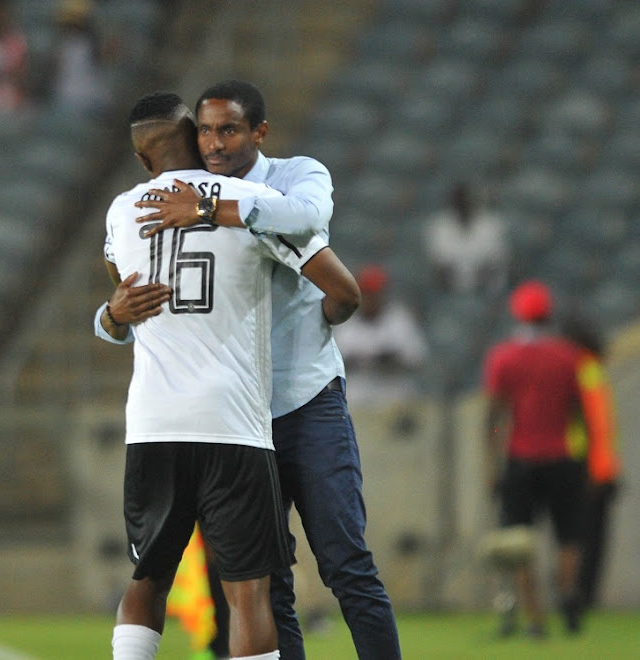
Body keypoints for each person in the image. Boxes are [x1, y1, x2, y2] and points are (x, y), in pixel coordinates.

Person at [102, 79, 402, 660]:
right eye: (206, 132)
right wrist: (110, 316)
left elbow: (313, 219)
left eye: (228, 130)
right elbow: (128, 303)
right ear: (191, 136)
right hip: (239, 418)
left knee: (344, 561)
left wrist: (215, 208)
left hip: (301, 402)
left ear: (258, 132)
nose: (214, 144)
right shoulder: (203, 206)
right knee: (267, 582)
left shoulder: (288, 180)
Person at [483, 280, 588, 637]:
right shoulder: (568, 355)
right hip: (563, 456)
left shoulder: (504, 356)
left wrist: (491, 465)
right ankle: (569, 594)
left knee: (521, 540)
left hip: (522, 457)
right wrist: (585, 456)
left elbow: (494, 416)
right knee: (568, 536)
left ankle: (534, 618)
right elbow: (581, 411)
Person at [561, 313, 622, 610]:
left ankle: (578, 596)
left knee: (578, 537)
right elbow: (598, 426)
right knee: (591, 539)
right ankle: (581, 597)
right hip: (595, 466)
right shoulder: (589, 369)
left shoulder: (578, 368)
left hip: (584, 463)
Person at [333, 264, 428, 406]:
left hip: (393, 393)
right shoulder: (345, 325)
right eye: (366, 293)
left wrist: (391, 361)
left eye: (375, 293)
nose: (371, 299)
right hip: (356, 396)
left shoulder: (399, 320)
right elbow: (333, 369)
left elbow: (417, 358)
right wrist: (357, 362)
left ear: (384, 294)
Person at [424, 182, 509, 295]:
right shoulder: (438, 227)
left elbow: (496, 262)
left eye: (465, 200)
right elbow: (438, 267)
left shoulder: (491, 224)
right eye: (458, 201)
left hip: (486, 290)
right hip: (449, 292)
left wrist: (474, 283)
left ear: (473, 201)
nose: (462, 204)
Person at [49, 0, 111, 118]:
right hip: (64, 100)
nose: (70, 29)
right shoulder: (61, 45)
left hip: (89, 102)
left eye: (74, 24)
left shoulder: (91, 45)